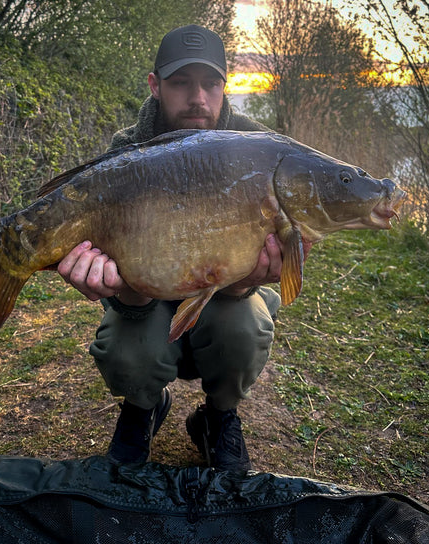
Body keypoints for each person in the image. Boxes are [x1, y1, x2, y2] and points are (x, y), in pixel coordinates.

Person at [58, 25, 283, 472]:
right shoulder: (126, 151)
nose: (197, 97)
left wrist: (248, 280)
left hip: (221, 297)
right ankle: (144, 407)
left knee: (243, 327)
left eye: (210, 83)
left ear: (225, 87)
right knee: (128, 351)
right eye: (181, 82)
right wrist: (118, 285)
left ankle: (217, 417)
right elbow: (125, 290)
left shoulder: (258, 151)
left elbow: (243, 282)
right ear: (155, 85)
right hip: (145, 296)